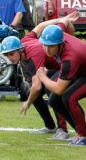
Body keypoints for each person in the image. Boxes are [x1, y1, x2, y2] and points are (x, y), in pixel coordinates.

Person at [0, 11, 80, 140]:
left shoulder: (33, 56)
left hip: (64, 69)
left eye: (11, 54)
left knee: (50, 91)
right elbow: (41, 25)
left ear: (20, 50)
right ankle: (50, 126)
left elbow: (37, 87)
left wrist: (27, 103)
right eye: (6, 55)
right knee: (31, 91)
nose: (9, 58)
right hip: (52, 70)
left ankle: (63, 129)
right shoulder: (24, 41)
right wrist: (63, 18)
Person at [36, 18, 86, 146]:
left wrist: (42, 76)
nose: (47, 49)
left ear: (60, 44)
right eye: (44, 44)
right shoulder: (58, 31)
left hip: (82, 70)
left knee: (69, 97)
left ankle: (83, 135)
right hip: (80, 70)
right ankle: (79, 131)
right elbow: (67, 21)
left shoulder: (70, 58)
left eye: (51, 46)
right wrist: (74, 37)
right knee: (54, 100)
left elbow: (59, 89)